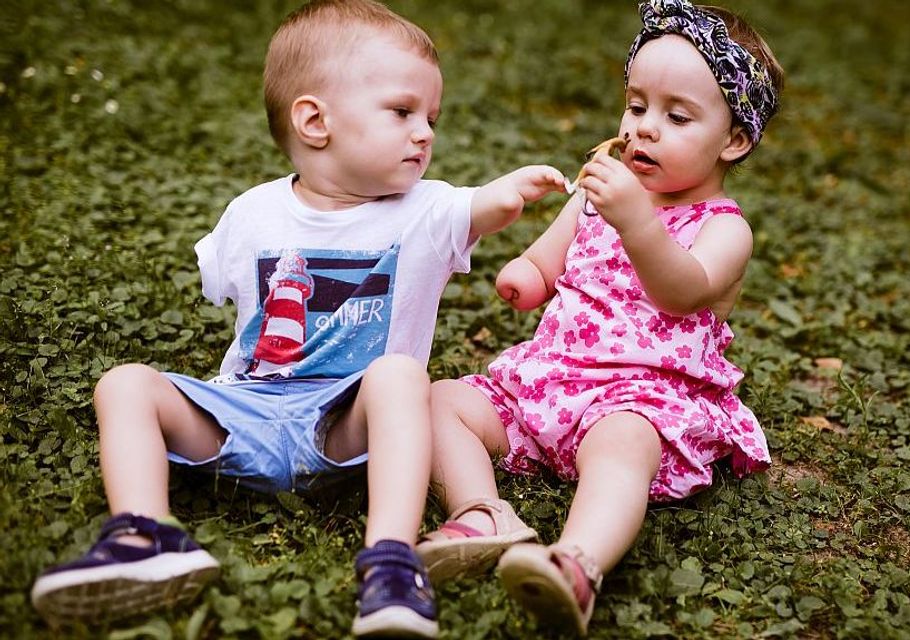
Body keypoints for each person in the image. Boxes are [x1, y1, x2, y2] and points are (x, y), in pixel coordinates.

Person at [29, 1, 567, 637]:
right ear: (314, 121)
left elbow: (484, 205)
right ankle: (144, 535)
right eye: (402, 112)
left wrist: (513, 191)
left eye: (432, 118)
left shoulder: (428, 209)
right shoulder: (251, 214)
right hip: (244, 414)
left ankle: (390, 561)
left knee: (399, 376)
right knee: (124, 383)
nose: (425, 132)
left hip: (345, 426)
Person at [418, 0, 783, 634]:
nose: (645, 128)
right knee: (439, 400)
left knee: (623, 447)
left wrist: (637, 222)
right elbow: (548, 259)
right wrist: (525, 276)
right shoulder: (598, 196)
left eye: (677, 116)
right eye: (637, 106)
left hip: (641, 398)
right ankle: (481, 514)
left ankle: (576, 563)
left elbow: (682, 291)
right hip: (548, 385)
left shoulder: (725, 229)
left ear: (734, 140)